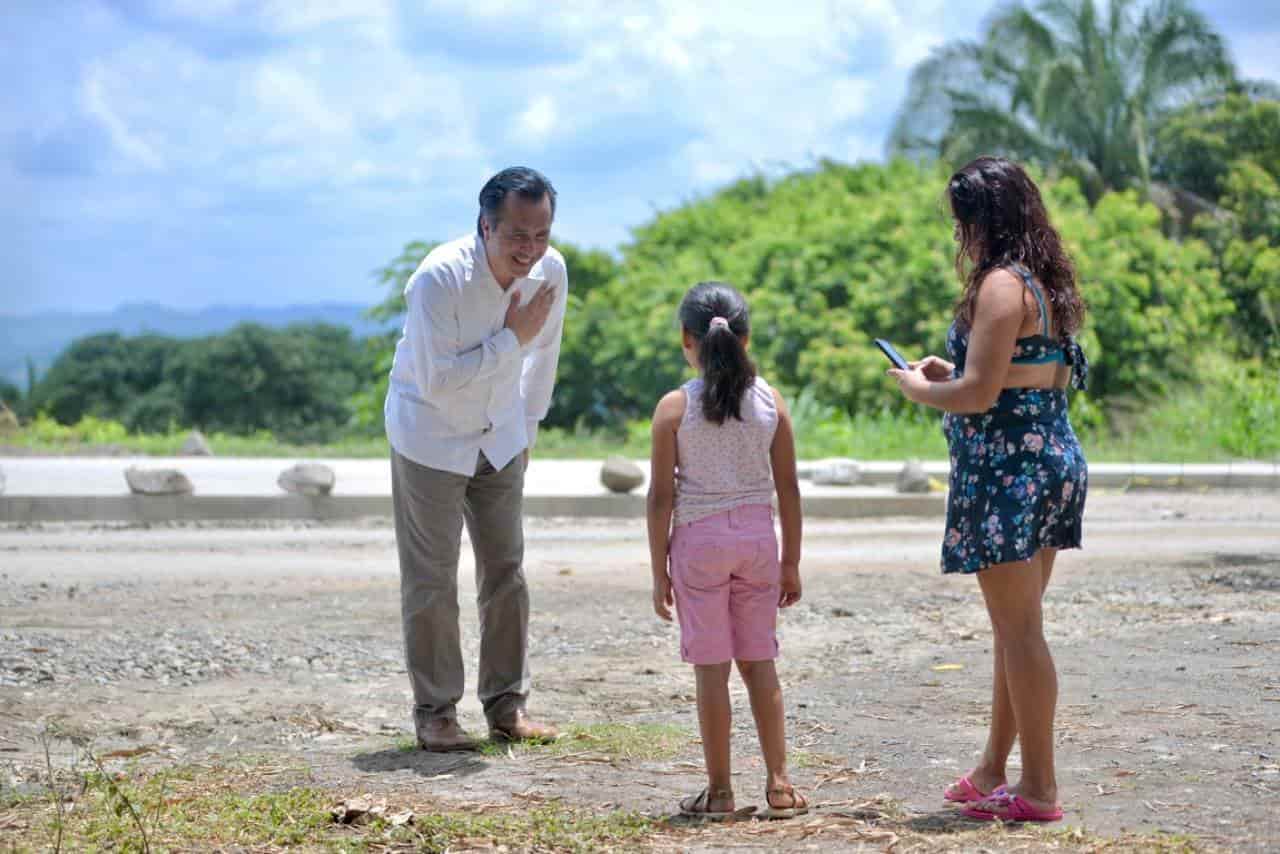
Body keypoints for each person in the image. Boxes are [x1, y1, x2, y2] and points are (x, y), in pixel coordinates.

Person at [888, 156, 1089, 822]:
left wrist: (922, 388)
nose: (960, 237)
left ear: (981, 221)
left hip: (1011, 474)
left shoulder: (1000, 285)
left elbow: (975, 396)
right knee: (1015, 630)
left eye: (962, 223)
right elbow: (1012, 375)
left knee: (1021, 633)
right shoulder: (1041, 283)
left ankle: (1039, 789)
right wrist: (959, 370)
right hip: (1045, 462)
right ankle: (995, 770)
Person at [384, 167, 566, 751]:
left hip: (502, 437)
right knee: (433, 580)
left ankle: (507, 706)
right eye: (517, 235)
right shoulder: (439, 279)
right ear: (485, 225)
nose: (530, 250)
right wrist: (512, 338)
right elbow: (439, 382)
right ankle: (435, 713)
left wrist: (528, 431)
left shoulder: (550, 271)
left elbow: (546, 360)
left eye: (540, 235)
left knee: (506, 573)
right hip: (431, 439)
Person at [646, 281, 808, 820]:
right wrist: (791, 562)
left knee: (711, 671)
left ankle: (719, 793)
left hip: (698, 546)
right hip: (759, 542)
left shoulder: (675, 408)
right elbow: (788, 488)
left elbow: (660, 498)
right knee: (760, 663)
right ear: (747, 336)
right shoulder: (770, 401)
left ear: (685, 340)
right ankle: (780, 785)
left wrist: (657, 572)